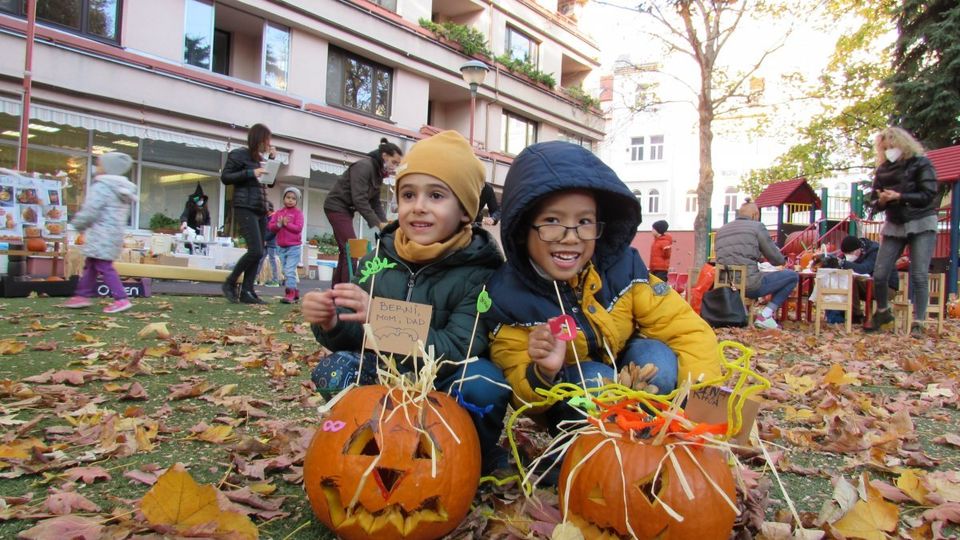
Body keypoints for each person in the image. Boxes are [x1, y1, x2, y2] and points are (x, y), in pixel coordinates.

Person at [484, 141, 720, 445]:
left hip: (629, 369)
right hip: (576, 392)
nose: (570, 238)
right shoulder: (509, 297)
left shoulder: (624, 269)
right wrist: (543, 369)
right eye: (553, 222)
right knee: (596, 380)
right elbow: (519, 388)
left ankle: (651, 440)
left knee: (657, 361)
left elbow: (688, 332)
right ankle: (584, 452)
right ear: (521, 228)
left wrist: (708, 418)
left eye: (584, 222)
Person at [303, 131, 510, 475]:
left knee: (484, 383)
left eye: (437, 195)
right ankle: (374, 444)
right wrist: (333, 324)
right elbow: (360, 333)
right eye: (408, 194)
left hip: (445, 384)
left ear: (464, 211)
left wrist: (381, 317)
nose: (418, 206)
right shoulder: (379, 257)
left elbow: (460, 347)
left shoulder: (482, 270)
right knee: (335, 368)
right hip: (386, 381)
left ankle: (474, 454)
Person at [864, 127, 940, 335]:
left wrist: (900, 196)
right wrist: (881, 200)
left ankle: (919, 321)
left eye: (892, 147)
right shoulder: (883, 170)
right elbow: (873, 200)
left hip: (921, 221)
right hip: (894, 223)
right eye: (885, 148)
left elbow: (929, 194)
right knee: (879, 273)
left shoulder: (921, 163)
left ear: (903, 145)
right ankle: (883, 312)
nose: (889, 151)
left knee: (919, 274)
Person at [62, 152, 138, 314]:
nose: (96, 167)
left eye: (100, 164)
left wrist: (78, 223)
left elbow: (91, 210)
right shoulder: (121, 190)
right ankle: (82, 295)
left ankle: (121, 298)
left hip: (101, 234)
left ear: (107, 168)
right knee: (91, 264)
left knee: (104, 266)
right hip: (112, 235)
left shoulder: (102, 187)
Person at [323, 138, 404, 285]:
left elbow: (375, 202)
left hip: (346, 210)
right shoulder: (364, 167)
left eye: (397, 164)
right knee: (353, 250)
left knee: (346, 251)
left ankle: (337, 291)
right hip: (336, 207)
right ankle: (347, 291)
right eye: (394, 162)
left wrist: (385, 223)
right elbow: (359, 199)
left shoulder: (378, 173)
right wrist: (378, 224)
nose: (395, 167)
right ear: (384, 156)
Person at [715, 201, 798, 330]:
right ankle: (766, 315)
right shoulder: (757, 227)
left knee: (753, 275)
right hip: (750, 285)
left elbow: (733, 254)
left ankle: (752, 314)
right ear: (755, 214)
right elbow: (775, 258)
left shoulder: (722, 230)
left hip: (725, 284)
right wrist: (782, 261)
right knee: (791, 276)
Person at [220, 123, 276, 305]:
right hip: (245, 206)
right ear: (259, 139)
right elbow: (226, 177)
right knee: (256, 250)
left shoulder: (260, 158)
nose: (269, 143)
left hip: (260, 207)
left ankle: (247, 290)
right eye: (267, 139)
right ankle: (230, 282)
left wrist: (272, 161)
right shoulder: (239, 154)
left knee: (259, 252)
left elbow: (269, 182)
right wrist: (251, 172)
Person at [268, 187, 304, 304]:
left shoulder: (298, 213)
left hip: (294, 247)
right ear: (284, 198)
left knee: (289, 270)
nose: (290, 200)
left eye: (293, 198)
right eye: (288, 197)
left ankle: (290, 293)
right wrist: (279, 224)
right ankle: (295, 292)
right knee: (285, 270)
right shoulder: (278, 213)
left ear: (296, 201)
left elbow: (298, 228)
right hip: (281, 247)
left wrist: (286, 224)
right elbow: (271, 227)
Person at [258, 201, 280, 286]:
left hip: (271, 242)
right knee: (260, 259)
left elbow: (272, 230)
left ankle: (275, 280)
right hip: (266, 241)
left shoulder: (273, 217)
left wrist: (266, 239)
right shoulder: (267, 217)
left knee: (272, 260)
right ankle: (256, 277)